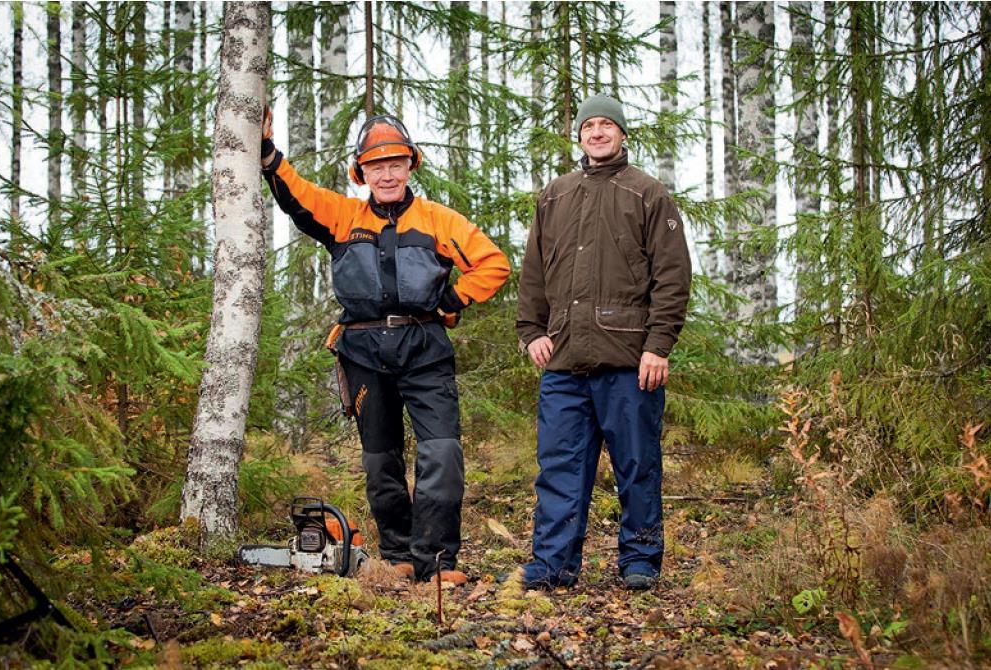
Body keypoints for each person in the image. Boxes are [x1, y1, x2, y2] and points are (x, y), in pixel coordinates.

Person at [261, 111, 511, 584]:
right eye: (377, 166)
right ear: (362, 173)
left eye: (396, 163)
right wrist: (268, 153)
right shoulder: (342, 216)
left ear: (411, 166)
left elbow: (493, 263)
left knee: (441, 454)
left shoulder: (439, 220)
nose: (388, 173)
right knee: (381, 460)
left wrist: (453, 299)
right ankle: (398, 555)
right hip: (363, 353)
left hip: (425, 348)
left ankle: (436, 561)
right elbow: (297, 198)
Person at [515, 94, 692, 591]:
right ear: (579, 137)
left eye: (605, 125)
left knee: (637, 465)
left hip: (629, 361)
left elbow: (673, 276)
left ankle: (640, 559)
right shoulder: (555, 195)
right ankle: (553, 564)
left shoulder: (648, 194)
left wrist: (658, 345)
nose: (596, 133)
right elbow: (533, 273)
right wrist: (532, 332)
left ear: (621, 134)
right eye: (588, 125)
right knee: (559, 468)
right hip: (564, 360)